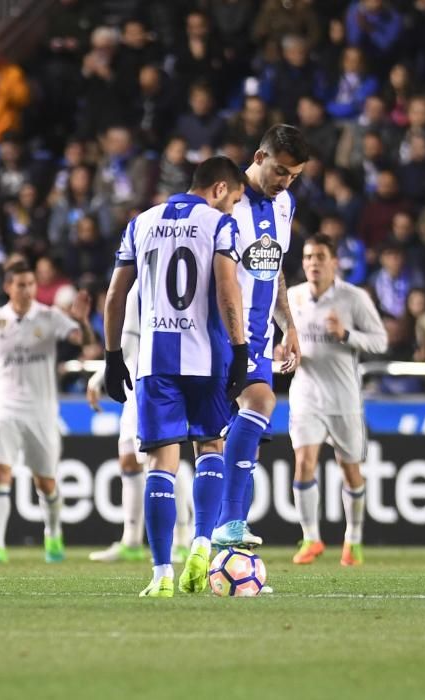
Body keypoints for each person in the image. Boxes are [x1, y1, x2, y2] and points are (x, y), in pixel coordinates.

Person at [103, 156, 248, 598]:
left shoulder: (141, 223)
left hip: (155, 362)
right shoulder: (220, 225)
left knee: (160, 463)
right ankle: (203, 541)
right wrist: (240, 348)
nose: (233, 210)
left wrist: (111, 355)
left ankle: (162, 572)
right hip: (207, 359)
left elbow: (115, 295)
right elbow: (227, 287)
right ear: (220, 189)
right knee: (211, 445)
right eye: (235, 200)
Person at [210, 124, 310, 549]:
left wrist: (288, 325)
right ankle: (227, 523)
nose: (286, 183)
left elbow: (274, 268)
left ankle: (219, 541)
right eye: (282, 172)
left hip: (259, 336)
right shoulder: (225, 202)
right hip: (221, 331)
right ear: (259, 158)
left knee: (239, 436)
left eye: (294, 176)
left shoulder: (284, 204)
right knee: (256, 409)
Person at [0, 258, 95, 564]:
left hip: (41, 410)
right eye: (20, 284)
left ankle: (53, 534)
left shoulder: (50, 316)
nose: (27, 290)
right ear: (7, 287)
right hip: (5, 406)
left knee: (45, 481)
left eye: (30, 284)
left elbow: (86, 342)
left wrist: (81, 320)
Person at [287, 234, 387, 566]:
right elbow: (283, 337)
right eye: (308, 256)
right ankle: (311, 538)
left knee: (350, 470)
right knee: (304, 462)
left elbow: (380, 342)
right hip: (306, 394)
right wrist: (282, 350)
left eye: (320, 256)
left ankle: (353, 540)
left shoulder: (353, 298)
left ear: (334, 262)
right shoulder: (293, 297)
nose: (313, 262)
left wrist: (346, 335)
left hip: (344, 397)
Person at [87, 282, 193, 564]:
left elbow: (130, 341)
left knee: (160, 457)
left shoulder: (143, 285)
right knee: (129, 460)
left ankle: (183, 540)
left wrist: (101, 375)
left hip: (156, 377)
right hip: (136, 379)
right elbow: (129, 343)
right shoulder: (139, 284)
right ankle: (131, 540)